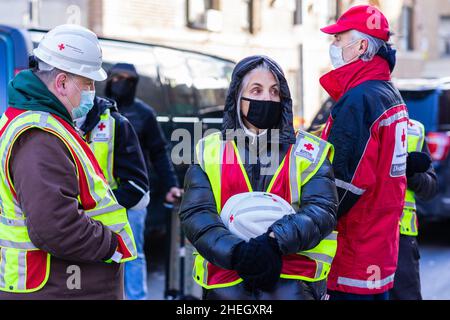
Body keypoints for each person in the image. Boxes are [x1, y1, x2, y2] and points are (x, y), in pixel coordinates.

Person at [179, 55, 338, 300]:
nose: (267, 98)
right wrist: (239, 253)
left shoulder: (309, 151)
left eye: (275, 91)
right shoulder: (208, 150)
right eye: (257, 89)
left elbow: (322, 210)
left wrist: (274, 242)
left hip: (295, 283)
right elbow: (196, 215)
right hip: (226, 284)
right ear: (237, 98)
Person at [0, 24, 137, 299]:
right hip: (57, 286)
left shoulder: (36, 122)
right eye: (87, 83)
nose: (92, 92)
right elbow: (55, 227)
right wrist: (111, 244)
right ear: (61, 82)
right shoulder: (39, 135)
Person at [319, 5, 409, 300]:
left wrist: (308, 223)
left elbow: (344, 183)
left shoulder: (360, 99)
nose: (333, 46)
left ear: (360, 46)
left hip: (352, 253)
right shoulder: (386, 92)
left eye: (338, 39)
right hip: (379, 251)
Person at [104, 63, 182, 299]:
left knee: (134, 252)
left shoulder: (144, 113)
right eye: (117, 77)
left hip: (134, 195)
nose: (122, 83)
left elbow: (159, 152)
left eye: (128, 79)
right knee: (101, 251)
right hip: (101, 195)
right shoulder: (95, 110)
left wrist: (171, 185)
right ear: (109, 80)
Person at [74, 96, 150, 300]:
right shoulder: (57, 123)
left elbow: (138, 185)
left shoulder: (117, 123)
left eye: (90, 83)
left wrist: (91, 204)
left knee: (130, 258)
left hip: (121, 208)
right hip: (80, 213)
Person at [390, 119, 438, 300]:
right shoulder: (352, 123)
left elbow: (431, 188)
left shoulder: (414, 130)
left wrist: (410, 172)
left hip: (401, 237)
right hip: (361, 236)